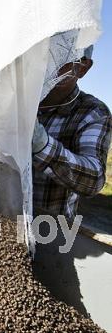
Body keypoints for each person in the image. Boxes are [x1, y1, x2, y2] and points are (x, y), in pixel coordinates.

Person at [32, 46, 112, 220]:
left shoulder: (92, 112)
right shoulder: (18, 99)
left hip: (50, 229)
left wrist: (41, 145)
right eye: (46, 55)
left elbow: (94, 180)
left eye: (62, 58)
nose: (50, 64)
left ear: (82, 68)